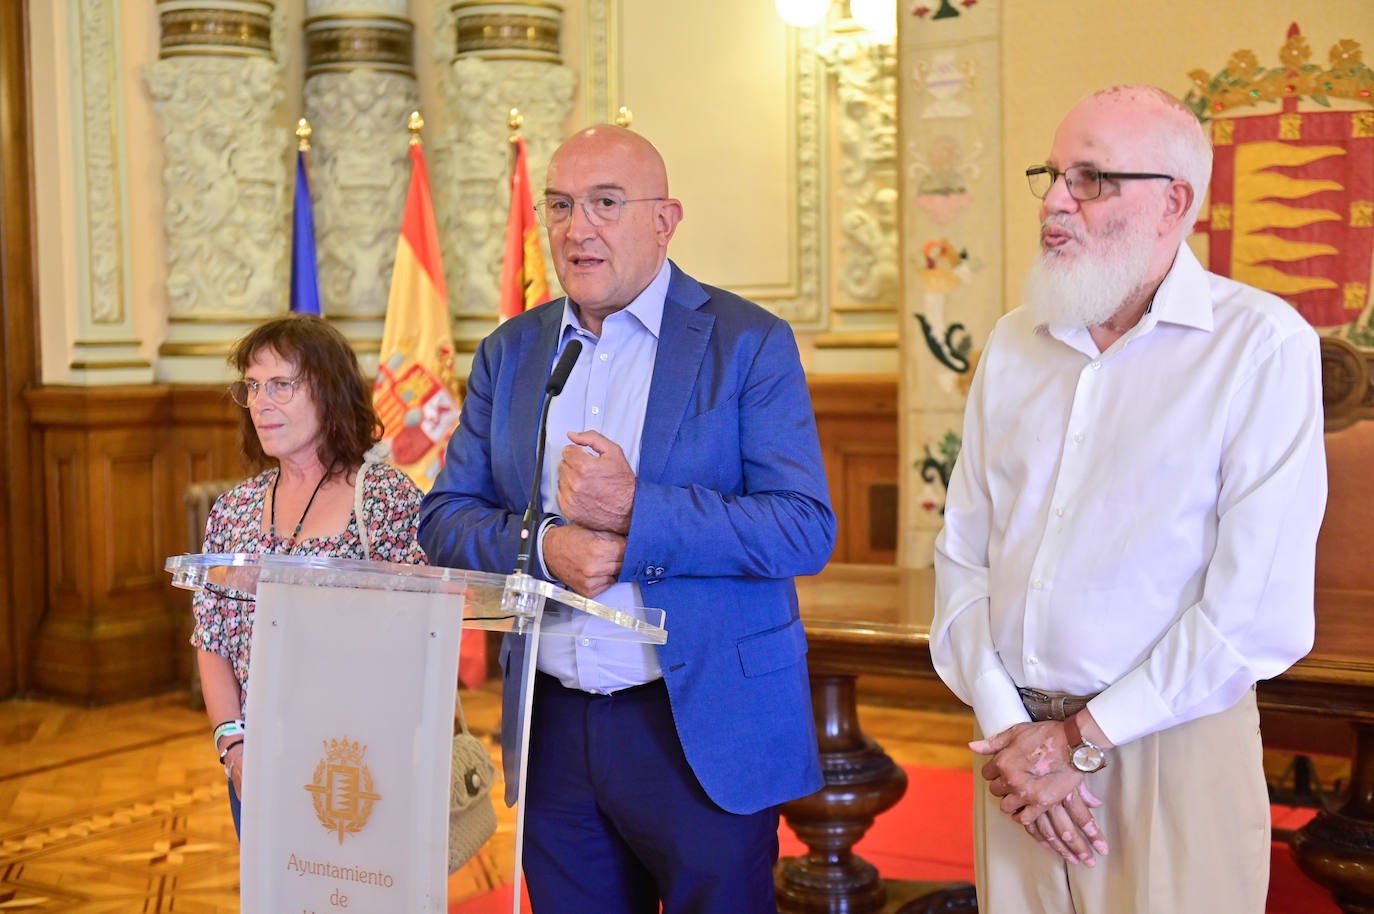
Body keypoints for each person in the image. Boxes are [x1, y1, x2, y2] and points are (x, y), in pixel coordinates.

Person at [418, 125, 836, 913]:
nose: (579, 228)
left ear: (665, 219)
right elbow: (445, 516)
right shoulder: (511, 352)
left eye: (606, 203)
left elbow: (802, 526)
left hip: (698, 722)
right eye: (562, 206)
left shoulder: (748, 343)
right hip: (555, 726)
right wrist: (544, 545)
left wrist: (637, 510)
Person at [931, 84, 1328, 913]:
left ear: (1173, 203)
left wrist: (1077, 741)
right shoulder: (1014, 343)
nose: (1055, 203)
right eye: (1051, 175)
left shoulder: (1258, 346)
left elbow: (1253, 608)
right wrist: (1017, 734)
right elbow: (963, 554)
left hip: (1167, 745)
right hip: (1012, 754)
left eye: (1092, 180)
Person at [190, 313, 427, 837]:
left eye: (280, 385)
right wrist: (233, 747)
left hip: (365, 767)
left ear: (329, 392)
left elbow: (419, 641)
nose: (259, 402)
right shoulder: (232, 510)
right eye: (251, 387)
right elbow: (212, 643)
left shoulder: (385, 498)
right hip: (258, 767)